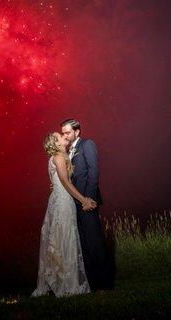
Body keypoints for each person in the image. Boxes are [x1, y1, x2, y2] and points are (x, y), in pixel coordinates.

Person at [31, 132, 97, 297]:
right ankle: (68, 284)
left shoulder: (58, 156)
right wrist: (84, 200)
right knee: (65, 237)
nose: (63, 136)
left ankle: (58, 281)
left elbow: (58, 181)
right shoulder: (59, 157)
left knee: (59, 238)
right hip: (62, 202)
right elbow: (65, 181)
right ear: (56, 142)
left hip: (59, 200)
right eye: (60, 135)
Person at [61, 118, 111, 292]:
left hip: (87, 202)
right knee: (83, 244)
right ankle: (91, 284)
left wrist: (87, 200)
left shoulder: (87, 144)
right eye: (63, 132)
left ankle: (104, 285)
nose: (65, 136)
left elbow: (93, 171)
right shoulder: (67, 151)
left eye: (67, 132)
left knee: (95, 242)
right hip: (74, 203)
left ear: (77, 131)